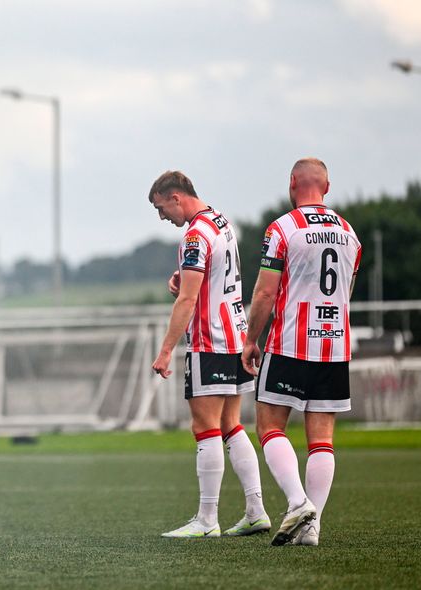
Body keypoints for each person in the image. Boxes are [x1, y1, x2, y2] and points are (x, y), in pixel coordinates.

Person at [241, 158, 361, 547]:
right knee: (321, 439)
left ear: (293, 183)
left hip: (291, 343)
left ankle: (297, 503)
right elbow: (348, 291)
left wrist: (250, 339)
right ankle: (313, 527)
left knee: (270, 427)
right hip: (334, 343)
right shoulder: (350, 233)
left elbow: (264, 292)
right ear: (327, 186)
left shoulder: (283, 229)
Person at [148, 171, 268, 539]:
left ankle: (206, 519)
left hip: (209, 340)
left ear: (175, 197)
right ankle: (255, 510)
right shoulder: (220, 222)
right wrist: (182, 275)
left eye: (160, 208)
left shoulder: (194, 234)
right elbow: (212, 274)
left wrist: (166, 350)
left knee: (204, 428)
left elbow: (189, 299)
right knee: (232, 425)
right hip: (235, 335)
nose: (162, 217)